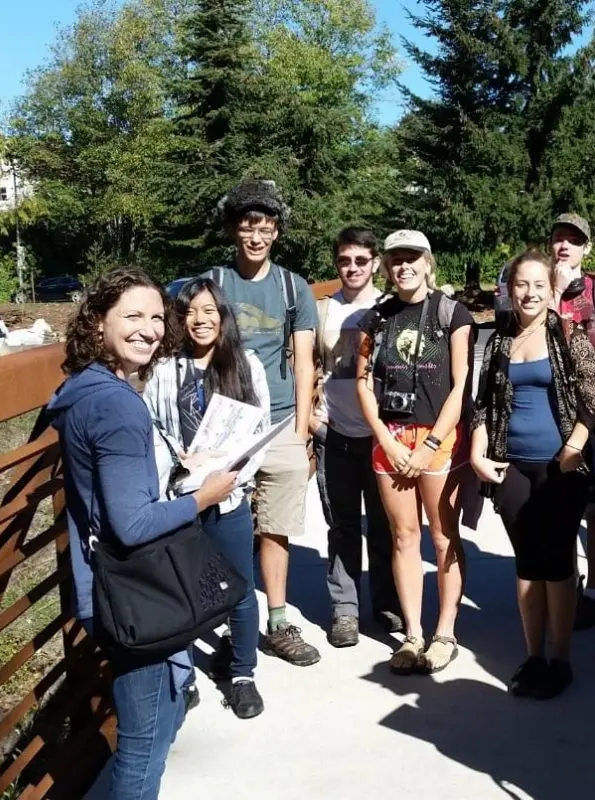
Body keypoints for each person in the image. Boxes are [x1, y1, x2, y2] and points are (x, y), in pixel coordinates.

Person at [46, 268, 238, 799]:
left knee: (164, 714)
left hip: (101, 582)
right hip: (133, 597)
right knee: (144, 746)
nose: (151, 329)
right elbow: (131, 524)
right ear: (98, 323)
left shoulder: (82, 388)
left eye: (157, 316)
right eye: (132, 316)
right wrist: (204, 496)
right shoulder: (117, 404)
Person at [470, 250, 595, 699]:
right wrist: (478, 451)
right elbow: (483, 405)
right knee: (528, 561)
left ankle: (561, 658)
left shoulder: (569, 337)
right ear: (509, 290)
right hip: (510, 463)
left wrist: (574, 447)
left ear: (552, 290)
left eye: (539, 285)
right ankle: (533, 655)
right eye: (521, 285)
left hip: (561, 466)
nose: (530, 293)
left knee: (556, 563)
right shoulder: (499, 341)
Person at [204, 180, 321, 667]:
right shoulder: (213, 283)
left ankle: (276, 620)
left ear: (276, 231)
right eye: (247, 225)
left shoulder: (294, 288)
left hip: (279, 424)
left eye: (265, 226)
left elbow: (306, 361)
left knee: (274, 527)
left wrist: (300, 429)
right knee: (220, 524)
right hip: (226, 424)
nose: (256, 235)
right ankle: (228, 620)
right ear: (233, 230)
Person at [143, 278, 269, 720]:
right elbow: (156, 427)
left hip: (230, 497)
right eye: (191, 312)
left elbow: (260, 434)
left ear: (223, 316)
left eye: (209, 311)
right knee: (185, 589)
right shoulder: (166, 371)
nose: (200, 320)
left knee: (238, 587)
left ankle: (242, 674)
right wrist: (177, 468)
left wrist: (233, 476)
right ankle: (185, 676)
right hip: (182, 498)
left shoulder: (246, 365)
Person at [355, 229, 474, 675]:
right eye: (395, 259)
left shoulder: (452, 313)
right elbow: (364, 382)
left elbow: (461, 385)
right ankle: (412, 633)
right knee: (404, 537)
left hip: (437, 438)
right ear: (386, 267)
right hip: (391, 437)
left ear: (428, 262)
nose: (403, 266)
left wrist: (428, 445)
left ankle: (444, 632)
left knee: (443, 537)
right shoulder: (376, 318)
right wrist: (385, 438)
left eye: (412, 258)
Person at [311, 227, 403, 648]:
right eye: (345, 261)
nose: (352, 268)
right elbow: (306, 365)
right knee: (343, 526)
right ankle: (344, 610)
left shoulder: (391, 308)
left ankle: (387, 603)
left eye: (361, 261)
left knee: (385, 525)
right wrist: (311, 420)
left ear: (374, 263)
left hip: (382, 435)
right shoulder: (321, 310)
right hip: (336, 433)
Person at [547, 213, 595, 631]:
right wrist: (553, 293)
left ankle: (594, 593)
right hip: (546, 415)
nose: (565, 246)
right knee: (556, 508)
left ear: (586, 248)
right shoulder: (538, 290)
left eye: (574, 241)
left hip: (590, 420)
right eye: (559, 239)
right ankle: (561, 585)